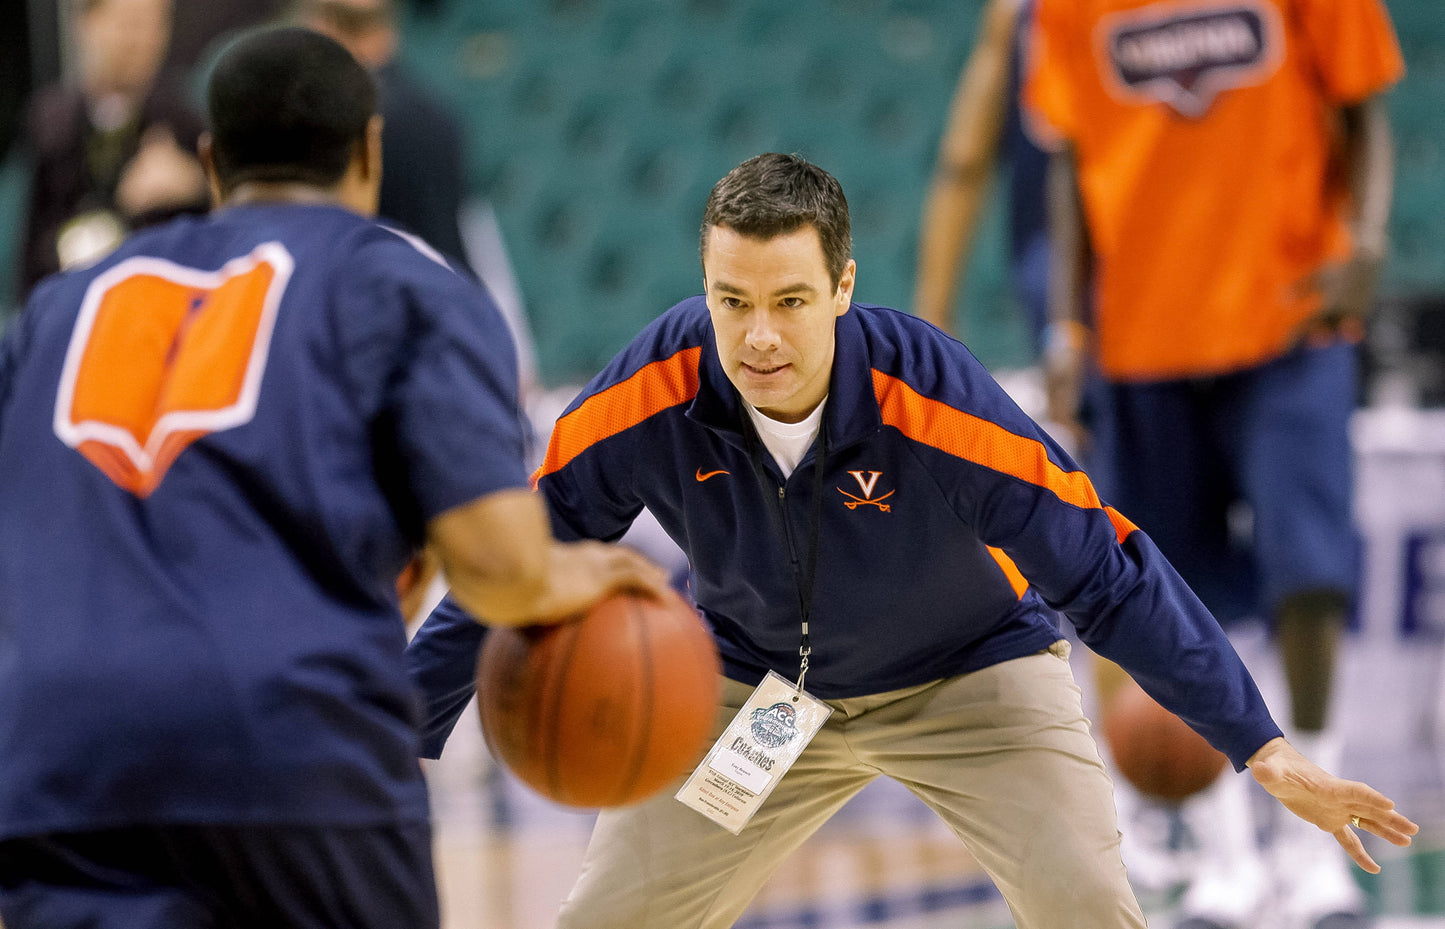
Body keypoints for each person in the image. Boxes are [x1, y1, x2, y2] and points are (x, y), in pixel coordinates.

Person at [404, 152, 1417, 929]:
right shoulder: (653, 388)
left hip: (966, 680)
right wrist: (395, 735)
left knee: (1089, 907)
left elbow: (1106, 576)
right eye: (732, 301)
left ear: (842, 288)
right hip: (754, 691)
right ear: (704, 287)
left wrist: (1261, 746)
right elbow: (511, 562)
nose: (757, 336)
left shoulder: (931, 398)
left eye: (789, 302)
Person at [0, 26, 664, 929]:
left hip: (59, 763)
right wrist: (572, 571)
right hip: (287, 748)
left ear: (209, 158)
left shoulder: (53, 311)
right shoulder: (400, 286)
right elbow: (497, 565)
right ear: (370, 151)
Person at [1027, 1, 1404, 927]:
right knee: (1169, 596)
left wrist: (1365, 241)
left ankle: (1315, 854)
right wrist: (1068, 323)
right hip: (1143, 336)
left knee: (1308, 573)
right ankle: (1226, 859)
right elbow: (1070, 163)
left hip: (1291, 313)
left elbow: (1361, 108)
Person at [17, 0, 209, 297]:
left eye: (155, 26)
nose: (142, 40)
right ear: (88, 25)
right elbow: (29, 249)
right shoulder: (50, 120)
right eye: (129, 23)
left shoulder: (183, 120)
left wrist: (194, 183)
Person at [915, 0, 1051, 355]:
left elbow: (963, 163)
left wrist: (934, 315)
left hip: (1061, 296)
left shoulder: (1017, 13)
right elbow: (963, 163)